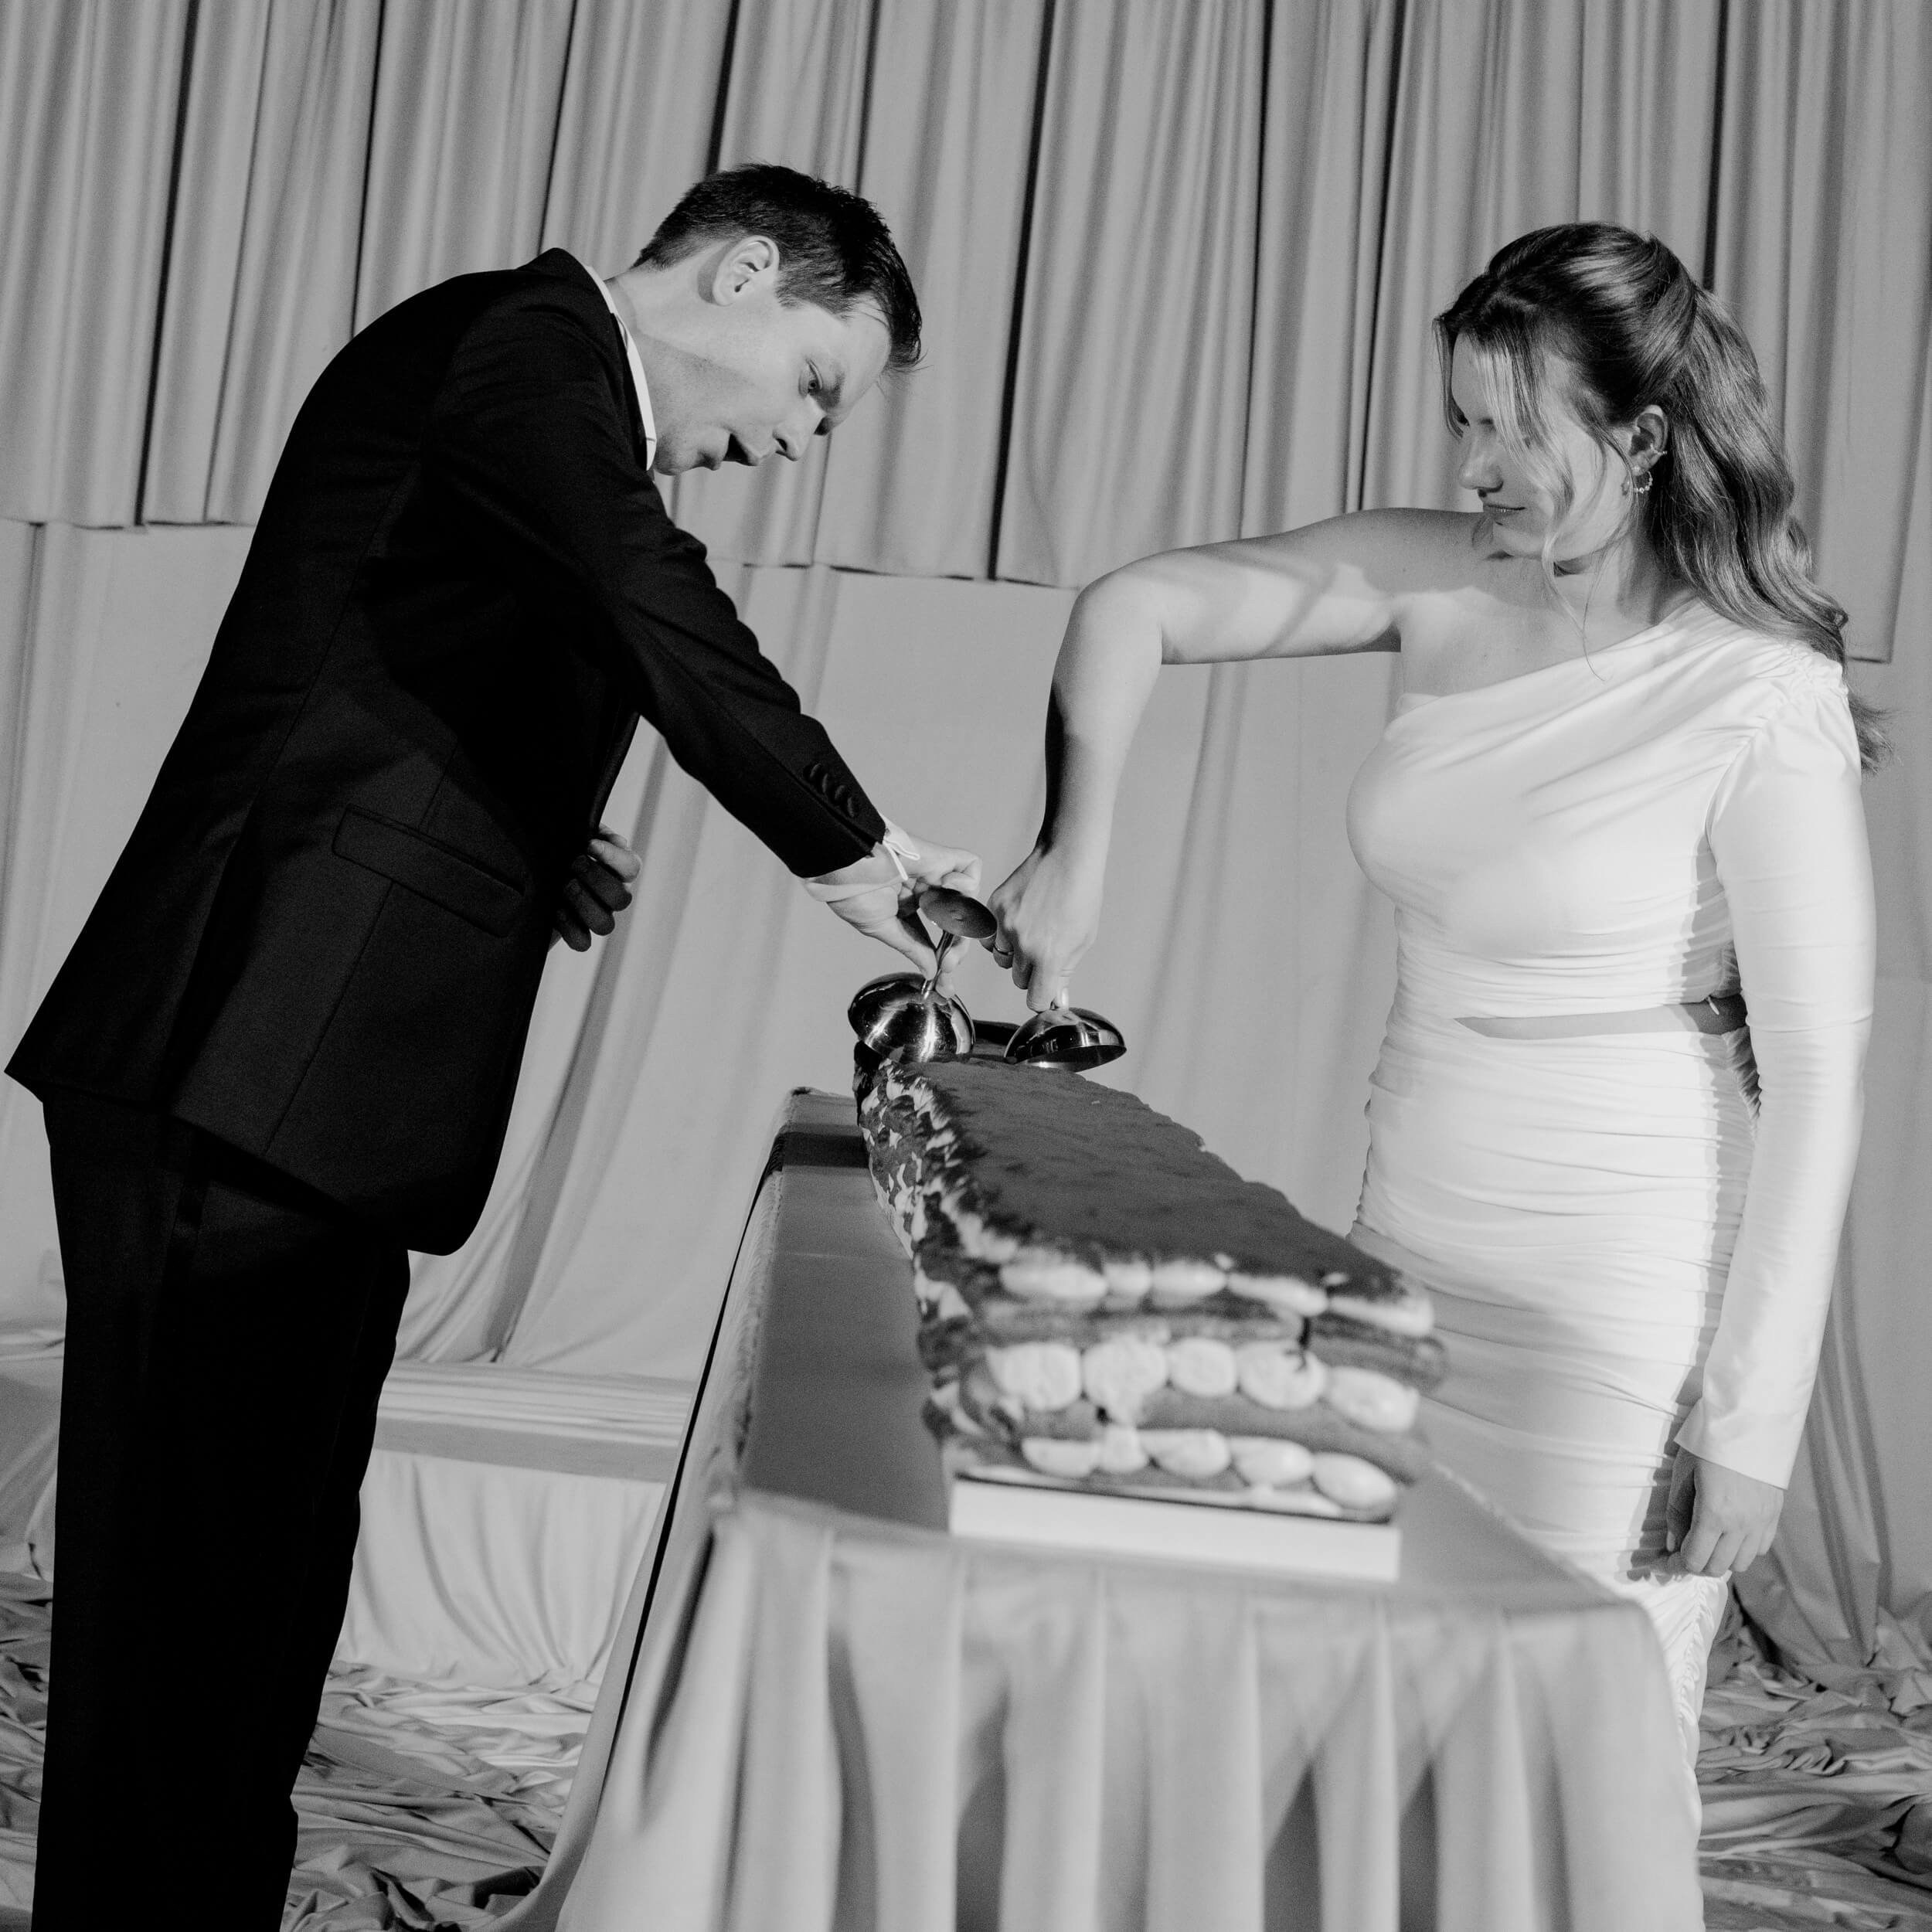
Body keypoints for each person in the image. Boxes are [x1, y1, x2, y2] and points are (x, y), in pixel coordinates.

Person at [6, 163, 978, 1930]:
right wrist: (868, 858)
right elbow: (640, 593)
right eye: (817, 387)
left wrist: (541, 838)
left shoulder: (534, 391)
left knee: (262, 1596)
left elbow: (400, 643)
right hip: (236, 1057)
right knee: (181, 1609)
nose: (796, 446)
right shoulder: (526, 344)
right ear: (746, 271)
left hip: (309, 1090)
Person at [988, 222, 1876, 1809]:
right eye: (1459, 417)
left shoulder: (1755, 690)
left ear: (1640, 436)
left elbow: (1818, 1070)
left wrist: (1751, 1418)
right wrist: (1073, 847)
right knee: (1393, 1699)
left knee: (1567, 1727)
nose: (1471, 464)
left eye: (1509, 427)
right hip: (1415, 1207)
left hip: (1619, 1252)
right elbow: (1132, 607)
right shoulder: (1440, 578)